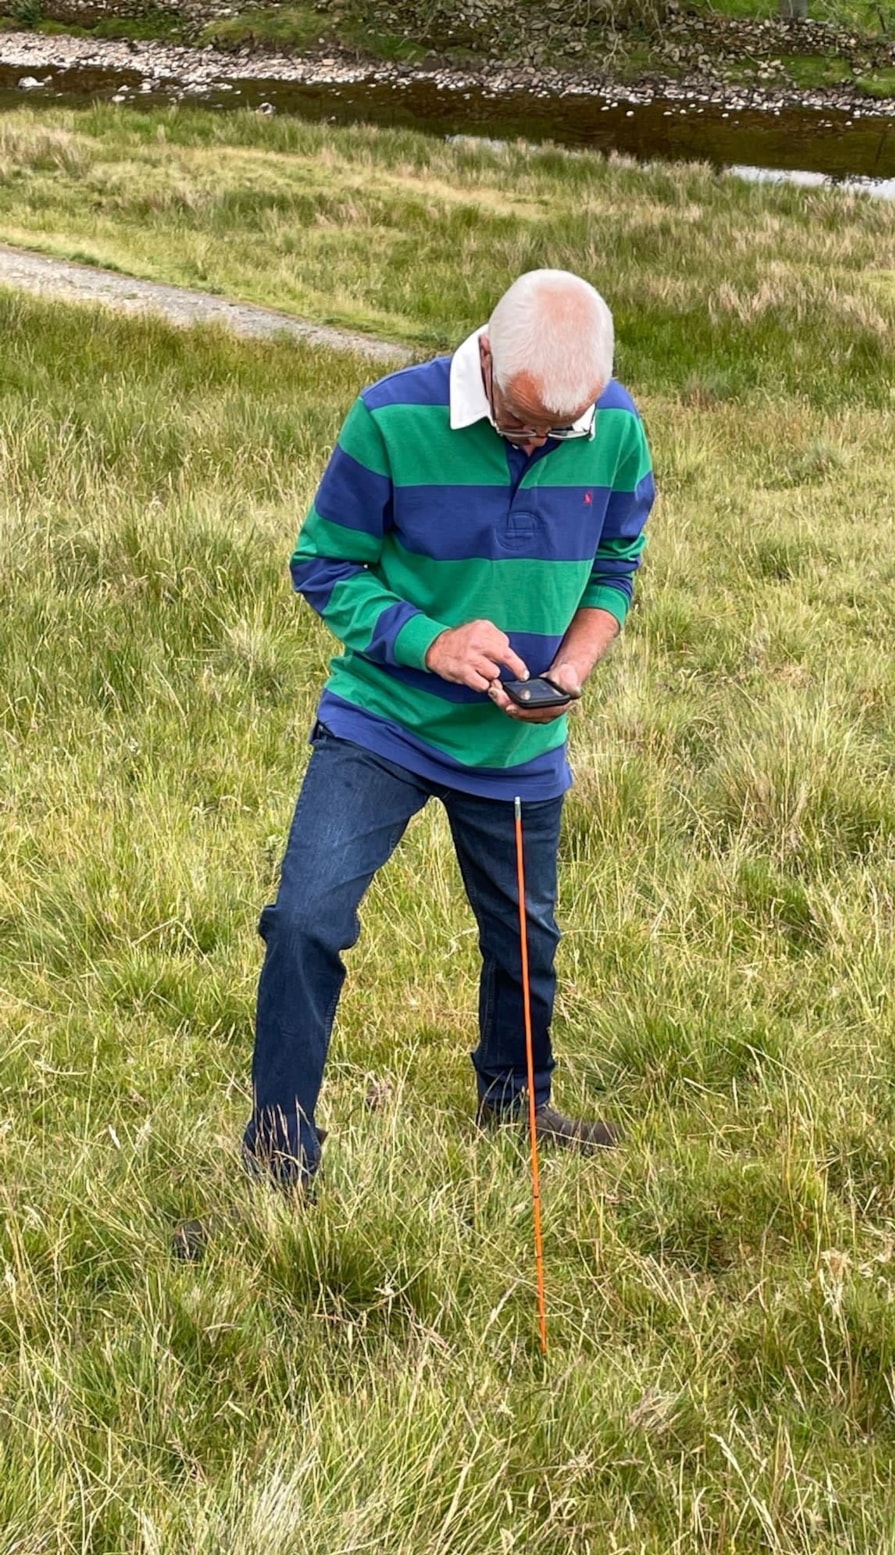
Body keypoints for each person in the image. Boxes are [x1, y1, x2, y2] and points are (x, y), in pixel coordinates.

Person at [243, 269, 655, 1189]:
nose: (543, 441)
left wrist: (573, 669)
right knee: (305, 921)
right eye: (522, 423)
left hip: (518, 744)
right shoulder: (390, 419)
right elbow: (322, 566)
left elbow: (619, 562)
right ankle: (277, 1155)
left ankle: (516, 1103)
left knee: (525, 941)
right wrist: (432, 644)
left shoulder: (616, 425)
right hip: (381, 722)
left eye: (563, 428)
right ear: (485, 355)